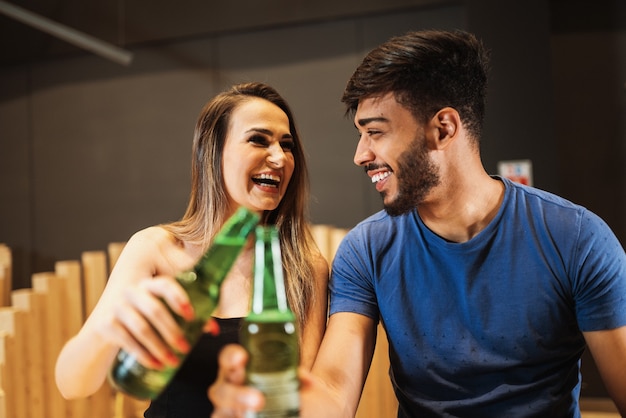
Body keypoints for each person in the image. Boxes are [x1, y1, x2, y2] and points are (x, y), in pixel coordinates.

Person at [209, 30, 626, 417]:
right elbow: (335, 388)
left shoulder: (577, 239)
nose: (360, 154)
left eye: (375, 132)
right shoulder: (366, 250)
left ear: (442, 128)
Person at [54, 82, 329, 417]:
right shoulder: (155, 249)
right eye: (259, 140)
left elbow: (303, 402)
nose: (279, 157)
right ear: (214, 152)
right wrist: (110, 326)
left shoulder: (305, 267)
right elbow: (73, 385)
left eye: (287, 146)